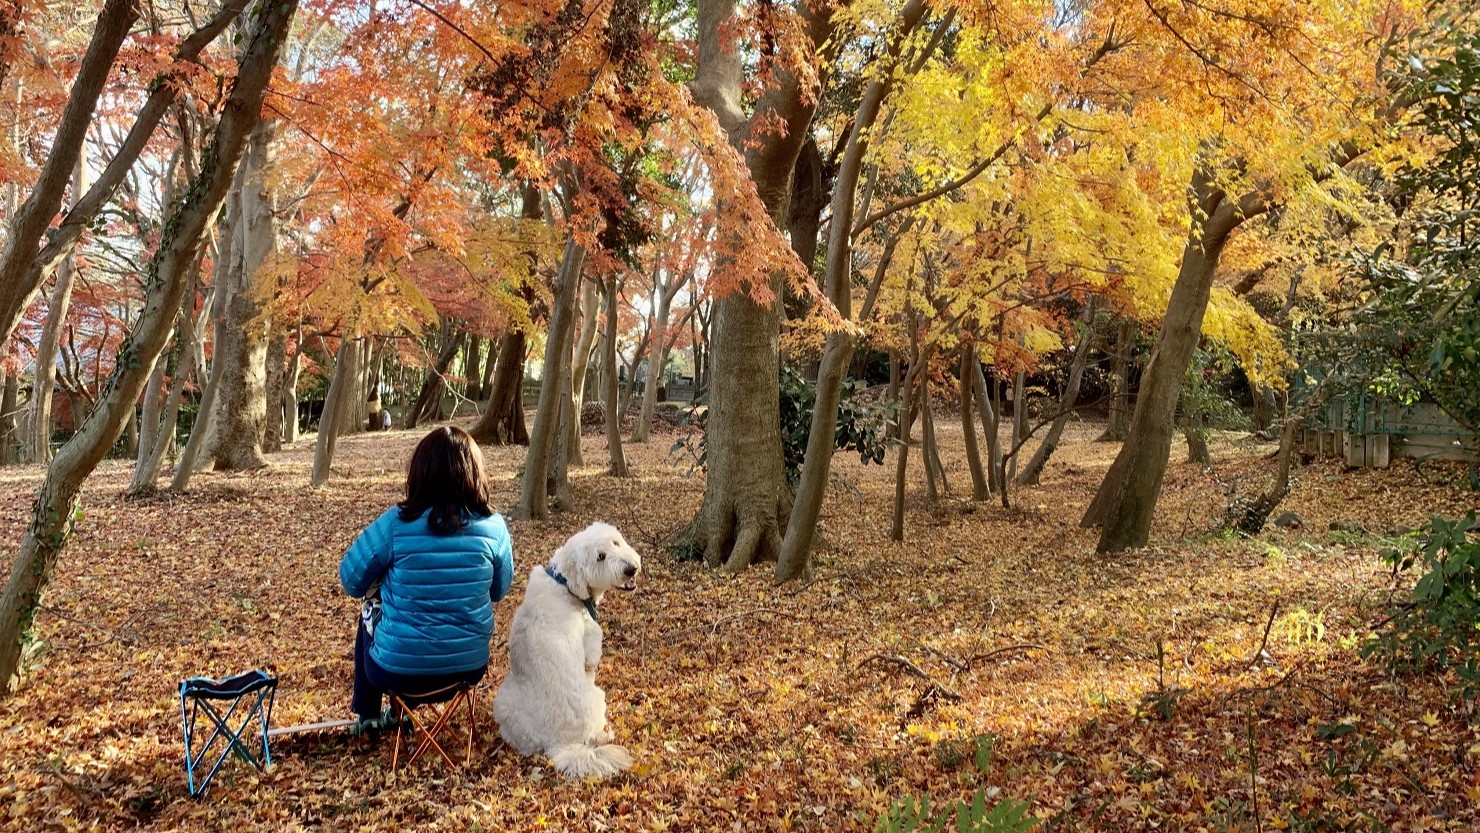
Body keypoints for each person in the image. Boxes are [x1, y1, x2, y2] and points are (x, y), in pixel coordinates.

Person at [339, 426, 514, 733]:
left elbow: (351, 580)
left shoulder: (395, 524)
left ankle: (368, 715)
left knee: (370, 613)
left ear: (419, 472)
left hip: (395, 672)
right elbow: (499, 590)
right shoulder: (495, 527)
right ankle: (398, 713)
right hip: (468, 669)